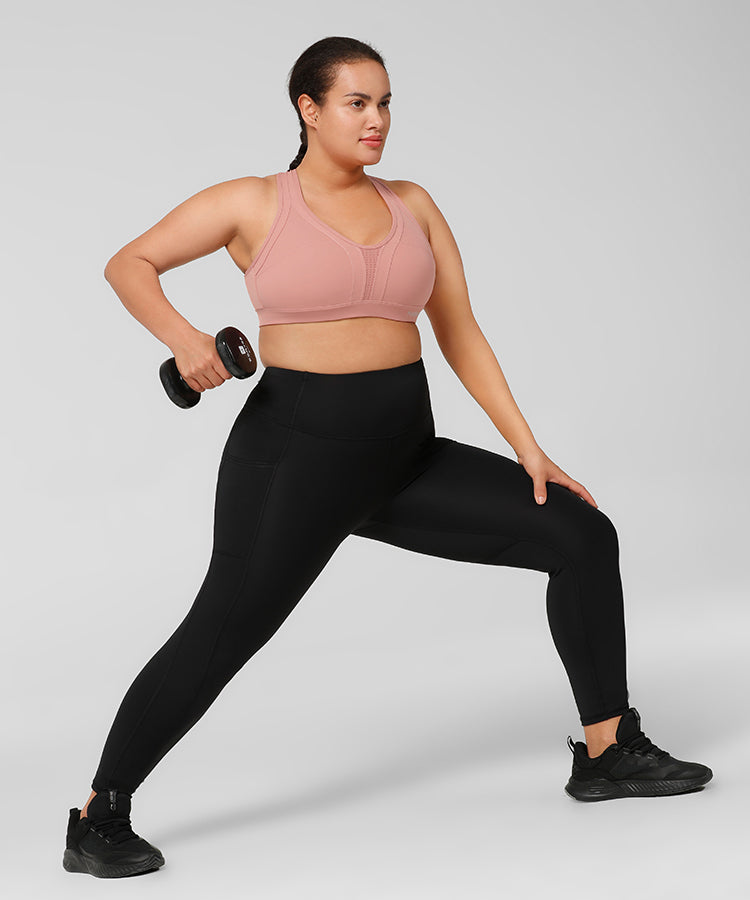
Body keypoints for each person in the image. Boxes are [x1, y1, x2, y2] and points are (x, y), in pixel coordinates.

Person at [63, 35, 712, 879]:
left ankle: (608, 751)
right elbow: (130, 262)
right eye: (357, 103)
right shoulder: (254, 202)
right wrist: (186, 340)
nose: (377, 119)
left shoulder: (413, 204)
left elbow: (460, 333)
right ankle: (98, 815)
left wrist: (530, 452)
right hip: (293, 462)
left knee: (581, 535)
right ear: (308, 108)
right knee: (222, 633)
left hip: (404, 458)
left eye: (386, 103)